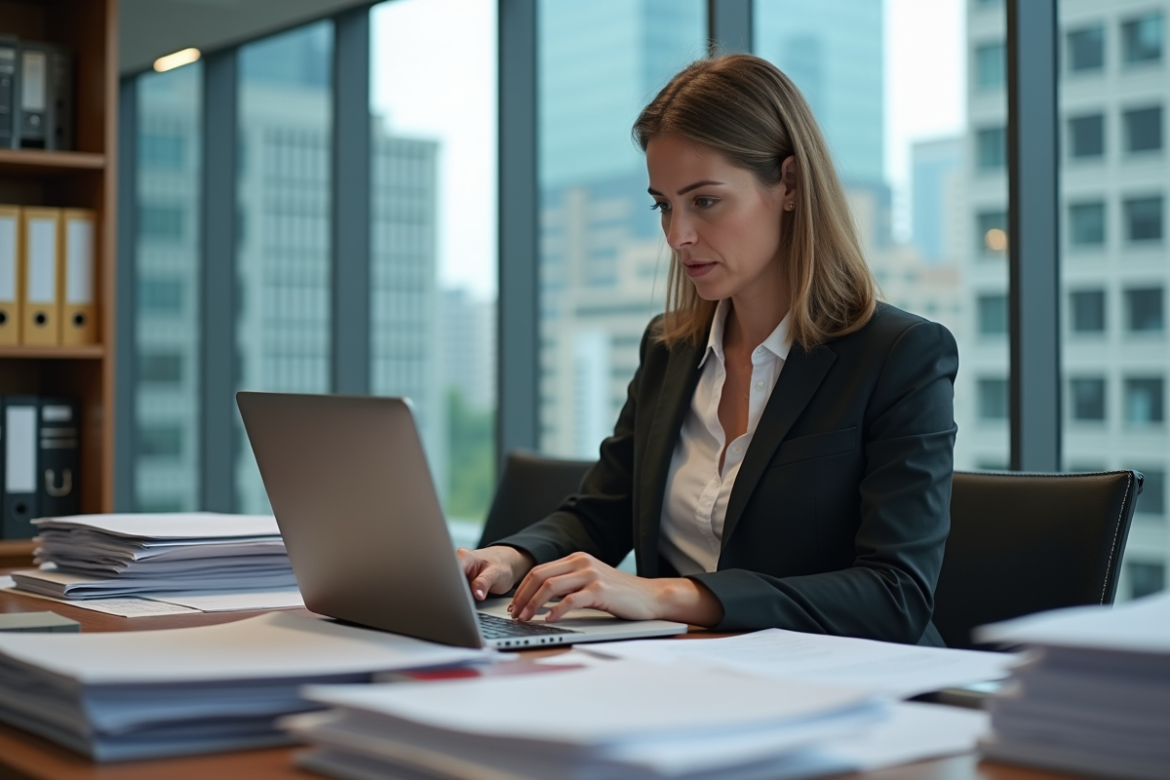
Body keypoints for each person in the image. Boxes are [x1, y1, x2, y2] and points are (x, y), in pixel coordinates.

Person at [459, 53, 958, 646]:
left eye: (705, 201)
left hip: (843, 690)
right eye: (664, 205)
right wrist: (509, 558)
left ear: (790, 185)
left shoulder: (900, 355)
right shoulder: (670, 349)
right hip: (682, 673)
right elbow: (601, 512)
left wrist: (666, 595)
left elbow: (894, 594)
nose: (677, 236)